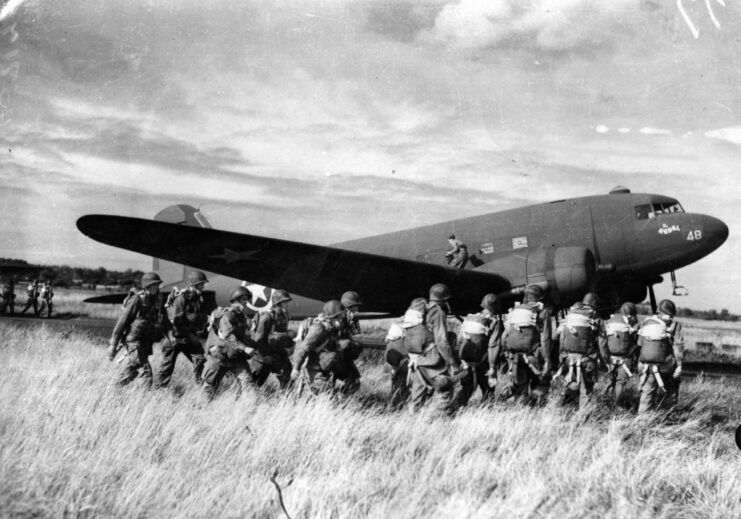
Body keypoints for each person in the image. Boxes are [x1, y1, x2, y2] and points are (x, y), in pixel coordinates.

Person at [495, 284, 552, 405]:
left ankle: (520, 410)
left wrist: (507, 353)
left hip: (515, 358)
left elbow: (504, 336)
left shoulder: (515, 311)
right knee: (542, 383)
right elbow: (545, 338)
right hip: (533, 356)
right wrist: (547, 360)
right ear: (540, 299)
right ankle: (536, 411)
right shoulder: (543, 312)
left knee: (520, 387)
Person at [409, 283, 461, 415]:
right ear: (443, 300)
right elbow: (441, 340)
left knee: (418, 392)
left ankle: (412, 419)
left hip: (417, 357)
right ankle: (436, 420)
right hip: (431, 358)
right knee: (446, 388)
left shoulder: (421, 310)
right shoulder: (438, 312)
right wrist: (451, 362)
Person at [109, 272, 167, 387]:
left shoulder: (158, 300)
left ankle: (115, 389)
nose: (156, 287)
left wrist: (170, 335)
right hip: (133, 340)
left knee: (133, 367)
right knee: (145, 371)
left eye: (157, 284)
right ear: (147, 286)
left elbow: (165, 321)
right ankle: (144, 399)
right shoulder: (137, 300)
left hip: (145, 341)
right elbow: (122, 322)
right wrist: (113, 344)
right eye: (153, 285)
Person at [291, 300, 360, 395]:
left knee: (354, 381)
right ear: (333, 317)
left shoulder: (333, 328)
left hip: (329, 364)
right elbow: (305, 347)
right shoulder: (319, 328)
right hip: (314, 368)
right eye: (339, 316)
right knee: (325, 393)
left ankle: (341, 398)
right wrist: (296, 368)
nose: (342, 318)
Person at [555, 293, 609, 408]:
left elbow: (559, 337)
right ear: (595, 305)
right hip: (586, 360)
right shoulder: (596, 318)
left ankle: (565, 411)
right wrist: (605, 361)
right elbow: (602, 343)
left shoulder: (569, 316)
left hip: (568, 359)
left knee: (572, 384)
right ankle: (584, 419)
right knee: (586, 391)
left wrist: (561, 357)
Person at [202, 286, 255, 400]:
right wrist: (245, 348)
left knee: (248, 383)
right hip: (219, 356)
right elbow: (229, 337)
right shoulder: (227, 315)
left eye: (247, 299)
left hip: (234, 356)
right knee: (210, 387)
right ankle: (203, 408)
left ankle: (248, 409)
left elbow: (245, 336)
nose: (246, 302)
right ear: (235, 301)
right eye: (243, 300)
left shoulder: (242, 317)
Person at [157, 271, 209, 388]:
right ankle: (157, 390)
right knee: (167, 367)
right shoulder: (182, 297)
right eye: (201, 284)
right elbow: (176, 320)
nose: (203, 287)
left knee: (201, 360)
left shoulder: (198, 298)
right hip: (174, 339)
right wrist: (191, 336)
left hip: (189, 338)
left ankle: (200, 385)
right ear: (195, 284)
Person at [637, 299, 684, 413]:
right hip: (665, 365)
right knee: (672, 387)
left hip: (645, 365)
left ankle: (642, 420)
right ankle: (666, 417)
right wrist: (679, 366)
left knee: (647, 393)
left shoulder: (646, 322)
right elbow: (678, 347)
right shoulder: (674, 324)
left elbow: (639, 343)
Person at [457, 293, 503, 407]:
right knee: (488, 389)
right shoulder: (494, 321)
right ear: (496, 306)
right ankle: (487, 412)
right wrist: (492, 367)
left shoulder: (470, 318)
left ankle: (455, 410)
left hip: (466, 362)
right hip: (483, 362)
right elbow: (494, 345)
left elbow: (459, 340)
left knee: (467, 389)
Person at [384, 297, 427, 408]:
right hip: (403, 359)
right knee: (405, 385)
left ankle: (394, 407)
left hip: (393, 357)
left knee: (398, 386)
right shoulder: (416, 321)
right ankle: (398, 408)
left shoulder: (403, 320)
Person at [248, 289, 294, 389]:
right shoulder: (267, 317)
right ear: (279, 303)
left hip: (277, 353)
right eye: (285, 302)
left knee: (287, 370)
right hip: (263, 355)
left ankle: (284, 396)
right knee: (255, 382)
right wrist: (264, 356)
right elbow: (259, 338)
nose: (287, 304)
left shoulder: (284, 316)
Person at [604, 302, 639, 408]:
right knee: (621, 383)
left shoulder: (609, 322)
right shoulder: (632, 326)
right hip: (625, 359)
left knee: (609, 381)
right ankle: (617, 404)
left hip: (610, 358)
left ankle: (605, 403)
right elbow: (635, 343)